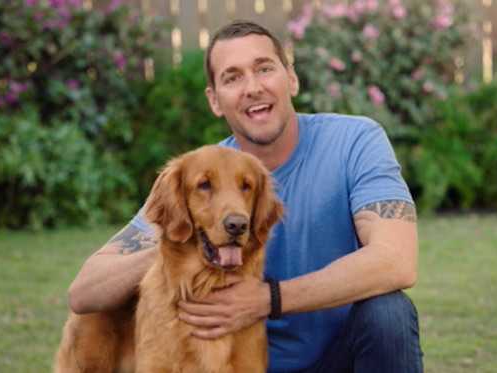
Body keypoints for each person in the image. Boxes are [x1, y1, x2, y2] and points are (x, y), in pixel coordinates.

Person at [67, 20, 423, 373]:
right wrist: (181, 248)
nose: (252, 87)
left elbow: (396, 261)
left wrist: (269, 299)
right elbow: (84, 292)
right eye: (232, 77)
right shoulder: (196, 176)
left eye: (264, 68)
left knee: (388, 312)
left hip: (338, 359)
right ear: (215, 100)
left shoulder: (355, 141)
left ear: (292, 79)